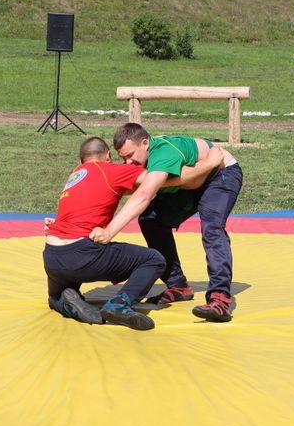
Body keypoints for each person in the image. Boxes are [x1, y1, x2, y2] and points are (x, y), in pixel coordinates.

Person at [44, 136, 223, 330]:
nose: (127, 162)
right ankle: (119, 304)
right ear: (108, 156)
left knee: (58, 291)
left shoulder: (76, 175)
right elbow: (161, 181)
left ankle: (61, 300)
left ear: (81, 160)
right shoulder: (112, 170)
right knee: (154, 259)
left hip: (52, 258)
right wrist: (208, 164)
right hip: (80, 255)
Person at [91, 123, 243, 323]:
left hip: (221, 175)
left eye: (130, 155)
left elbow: (145, 193)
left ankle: (220, 298)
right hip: (194, 182)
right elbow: (122, 190)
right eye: (123, 158)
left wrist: (109, 232)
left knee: (212, 228)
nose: (128, 163)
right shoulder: (140, 159)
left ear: (145, 143)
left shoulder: (163, 151)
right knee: (150, 220)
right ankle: (178, 285)